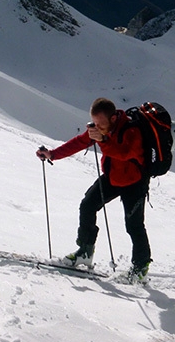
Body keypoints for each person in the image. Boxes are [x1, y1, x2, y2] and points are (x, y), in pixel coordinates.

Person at [36, 97, 152, 282]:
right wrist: (53, 154)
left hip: (135, 182)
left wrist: (103, 140)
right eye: (94, 122)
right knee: (87, 206)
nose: (96, 127)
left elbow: (123, 153)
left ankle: (140, 267)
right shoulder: (101, 130)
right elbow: (79, 142)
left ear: (113, 118)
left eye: (100, 123)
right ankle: (85, 252)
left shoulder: (132, 130)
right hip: (112, 178)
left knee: (134, 225)